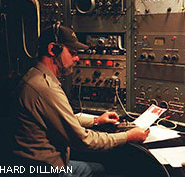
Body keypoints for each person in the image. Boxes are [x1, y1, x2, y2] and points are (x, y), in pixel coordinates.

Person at [12, 23, 149, 177]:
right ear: (52, 49)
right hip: (47, 170)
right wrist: (128, 136)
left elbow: (62, 118)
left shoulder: (35, 76)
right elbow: (83, 140)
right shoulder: (44, 88)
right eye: (72, 52)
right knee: (113, 170)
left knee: (101, 169)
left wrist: (96, 121)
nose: (77, 58)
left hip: (49, 163)